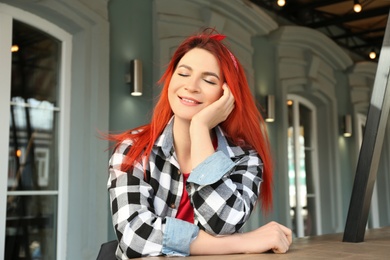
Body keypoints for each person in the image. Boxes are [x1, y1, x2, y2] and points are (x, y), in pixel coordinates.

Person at [107, 28, 292, 259]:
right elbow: (134, 237)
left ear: (227, 95)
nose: (192, 86)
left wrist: (200, 129)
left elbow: (221, 224)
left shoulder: (245, 158)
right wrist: (242, 242)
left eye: (208, 80)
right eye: (183, 74)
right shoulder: (133, 149)